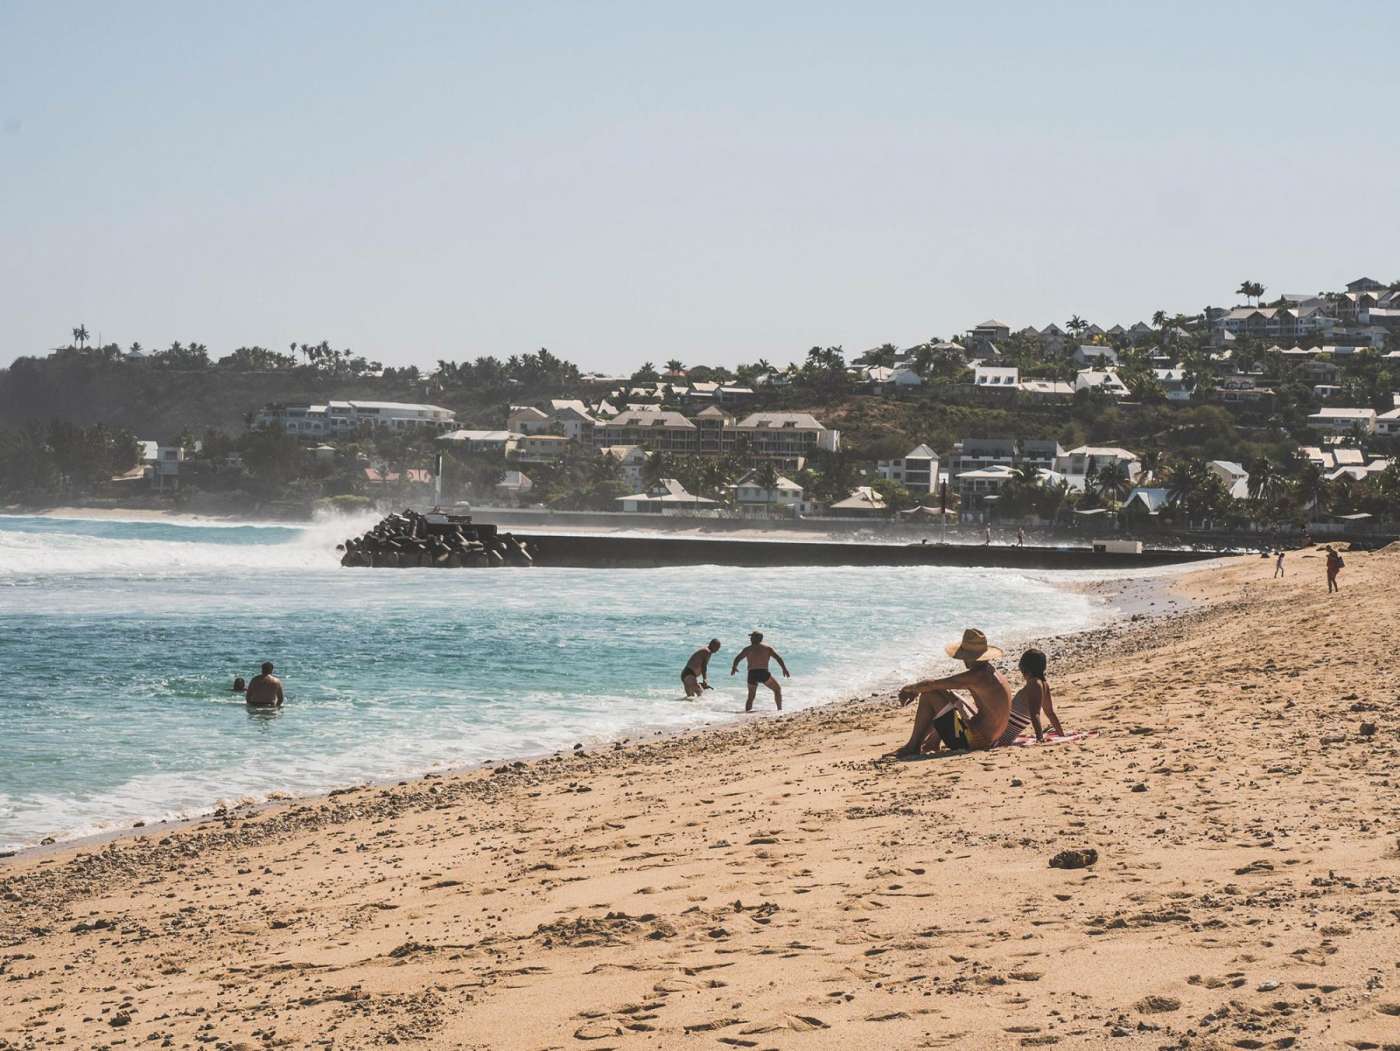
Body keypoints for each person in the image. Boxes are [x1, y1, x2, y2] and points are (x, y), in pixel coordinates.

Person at [890, 628, 1012, 756]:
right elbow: (941, 686)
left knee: (929, 695)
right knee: (947, 694)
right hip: (990, 737)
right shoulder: (990, 672)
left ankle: (912, 746)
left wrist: (909, 689)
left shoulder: (976, 676)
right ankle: (932, 743)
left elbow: (932, 684)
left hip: (974, 742)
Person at [1013, 648, 1063, 743]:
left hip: (1001, 734)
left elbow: (1035, 714)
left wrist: (1039, 739)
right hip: (1007, 732)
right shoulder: (1044, 684)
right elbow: (1050, 713)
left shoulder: (1034, 684)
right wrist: (1061, 735)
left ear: (1024, 668)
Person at [731, 631, 790, 711]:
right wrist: (784, 669)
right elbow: (778, 658)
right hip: (763, 673)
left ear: (756, 638)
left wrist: (734, 667)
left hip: (752, 674)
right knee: (777, 689)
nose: (750, 638)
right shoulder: (767, 649)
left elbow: (737, 658)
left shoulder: (748, 649)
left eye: (752, 637)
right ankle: (779, 710)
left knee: (751, 697)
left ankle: (747, 713)